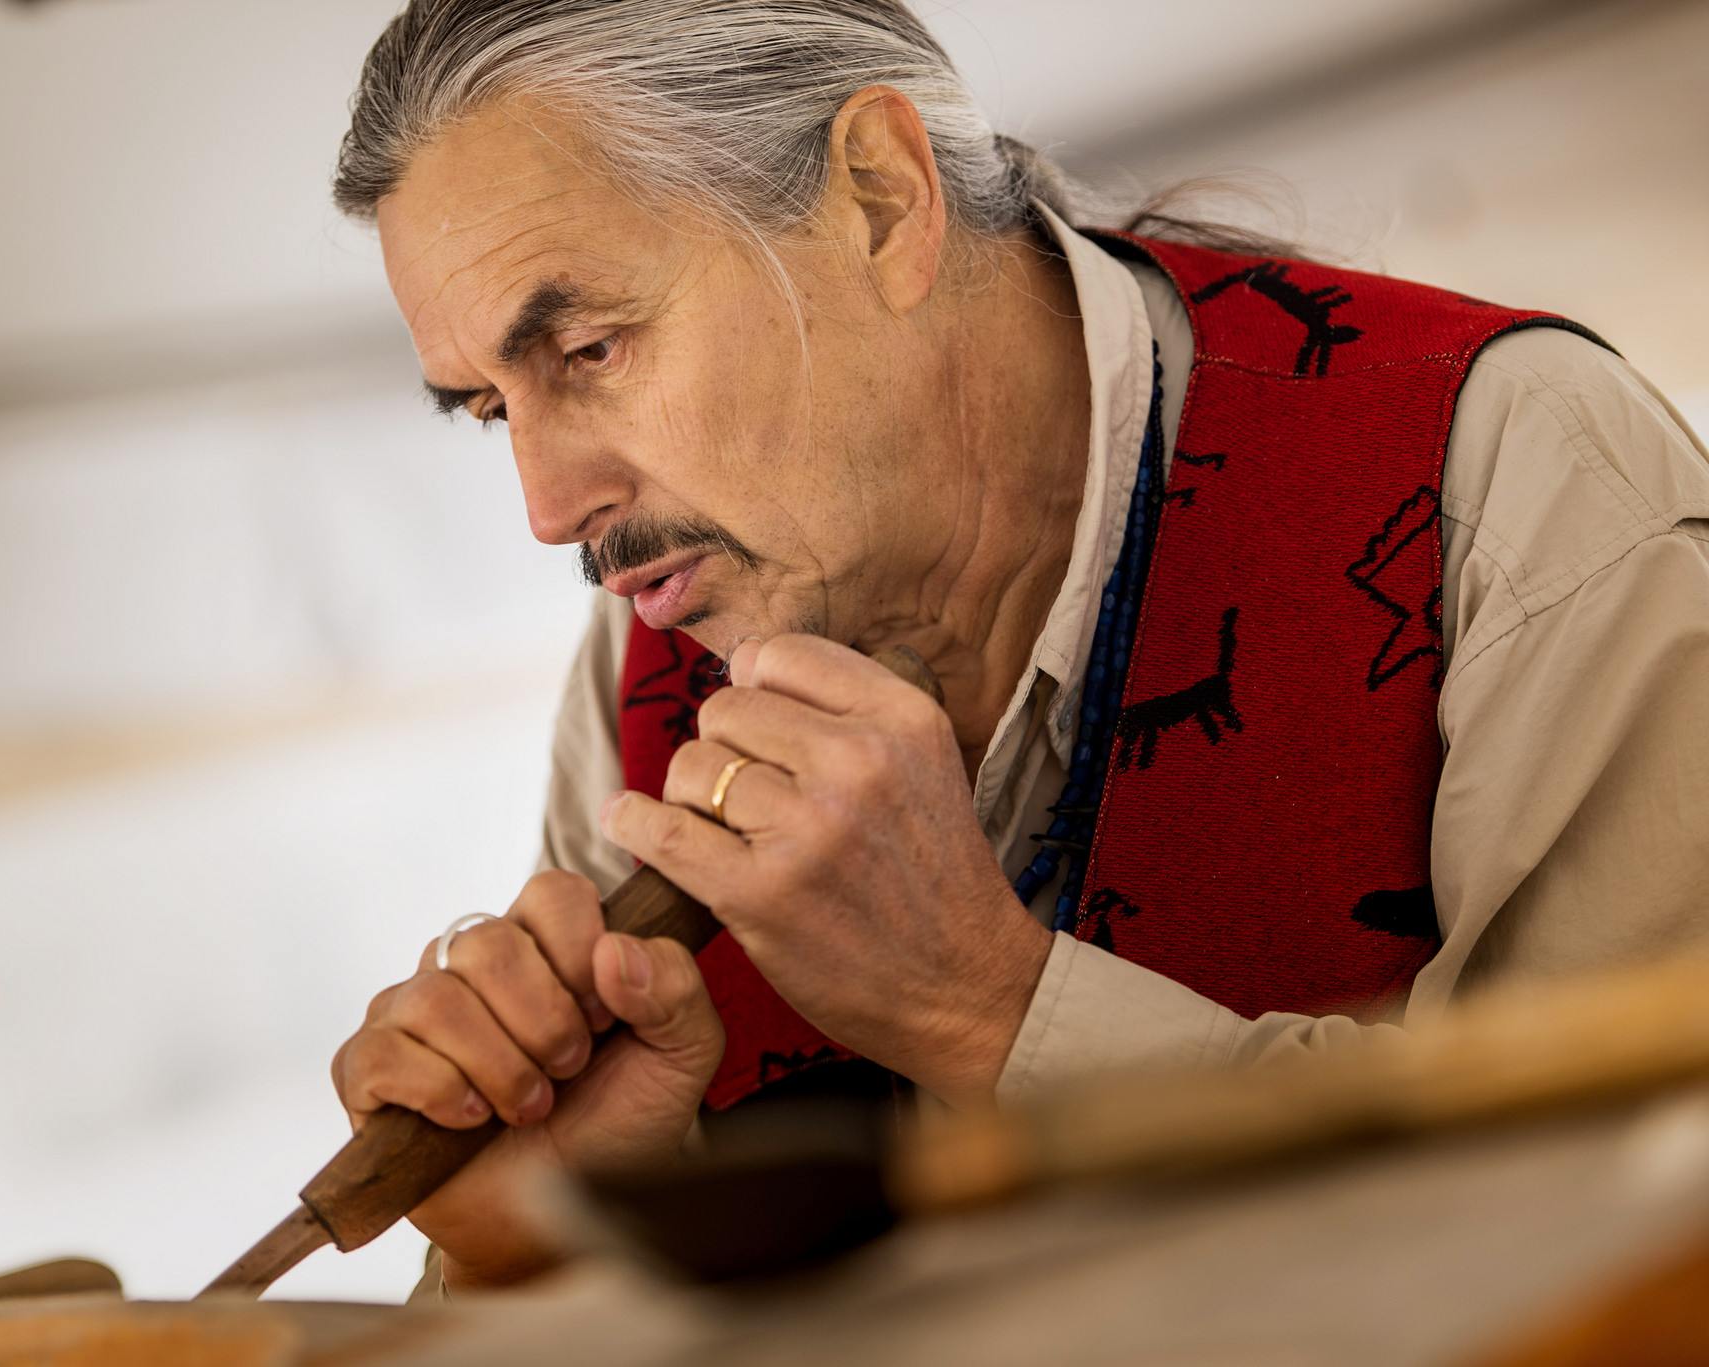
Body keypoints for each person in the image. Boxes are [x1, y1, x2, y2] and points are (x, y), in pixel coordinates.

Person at [323, 0, 1709, 1294]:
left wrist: (988, 1010)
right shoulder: (644, 658)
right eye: (492, 410)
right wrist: (548, 1259)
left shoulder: (1517, 484)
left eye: (590, 347)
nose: (552, 509)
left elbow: (1642, 1262)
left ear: (881, 196)